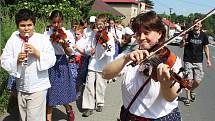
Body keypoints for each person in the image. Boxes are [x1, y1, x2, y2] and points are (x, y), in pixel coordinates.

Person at [102, 11, 183, 121]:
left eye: (146, 32)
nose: (141, 37)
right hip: (130, 116)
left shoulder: (171, 60)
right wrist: (126, 58)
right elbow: (105, 74)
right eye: (138, 33)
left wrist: (165, 83)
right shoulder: (130, 55)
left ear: (159, 33)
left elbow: (171, 97)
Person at [1, 8, 56, 121]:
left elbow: (52, 59)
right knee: (24, 116)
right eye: (22, 25)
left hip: (38, 85)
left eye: (29, 25)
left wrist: (37, 53)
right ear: (17, 26)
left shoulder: (42, 39)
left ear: (34, 25)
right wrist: (16, 60)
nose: (26, 28)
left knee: (34, 118)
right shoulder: (13, 38)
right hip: (21, 85)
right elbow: (4, 59)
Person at [44, 10, 76, 121]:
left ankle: (68, 108)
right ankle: (49, 118)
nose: (56, 25)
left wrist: (63, 44)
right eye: (54, 22)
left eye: (58, 22)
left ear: (62, 21)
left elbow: (70, 53)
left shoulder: (67, 34)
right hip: (49, 63)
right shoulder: (47, 32)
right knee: (50, 92)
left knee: (61, 90)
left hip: (61, 63)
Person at [81, 14, 115, 117]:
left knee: (101, 85)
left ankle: (100, 102)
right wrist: (89, 50)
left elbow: (111, 51)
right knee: (89, 85)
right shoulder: (93, 35)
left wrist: (105, 47)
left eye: (101, 24)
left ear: (105, 24)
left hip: (103, 64)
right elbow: (87, 48)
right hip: (93, 63)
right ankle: (89, 107)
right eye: (97, 24)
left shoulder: (109, 37)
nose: (99, 26)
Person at [180, 17, 212, 106]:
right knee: (188, 81)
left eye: (198, 23)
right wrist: (183, 40)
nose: (197, 25)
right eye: (195, 23)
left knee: (197, 81)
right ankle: (188, 99)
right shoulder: (188, 34)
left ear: (201, 25)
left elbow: (206, 48)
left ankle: (191, 90)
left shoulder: (204, 35)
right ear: (193, 25)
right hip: (188, 60)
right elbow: (181, 46)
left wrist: (208, 59)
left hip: (198, 61)